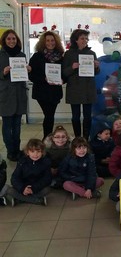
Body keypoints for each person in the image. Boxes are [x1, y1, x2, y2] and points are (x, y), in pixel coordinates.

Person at [62, 28, 100, 140]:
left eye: (86, 38)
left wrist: (96, 66)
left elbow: (97, 72)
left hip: (88, 88)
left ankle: (86, 137)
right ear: (76, 40)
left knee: (88, 116)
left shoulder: (92, 53)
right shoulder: (68, 54)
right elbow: (64, 72)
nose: (85, 40)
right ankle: (78, 138)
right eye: (82, 38)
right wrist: (72, 68)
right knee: (75, 116)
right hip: (75, 89)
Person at [0, 29, 31, 161]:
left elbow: (23, 75)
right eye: (9, 39)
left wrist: (28, 70)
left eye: (14, 39)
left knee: (17, 125)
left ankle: (17, 150)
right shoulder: (0, 55)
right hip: (6, 95)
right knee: (7, 125)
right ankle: (10, 150)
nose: (12, 41)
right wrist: (3, 72)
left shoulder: (21, 55)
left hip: (19, 93)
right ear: (4, 41)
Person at [29, 31, 64, 139]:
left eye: (52, 40)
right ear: (43, 42)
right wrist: (43, 79)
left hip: (55, 92)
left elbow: (64, 74)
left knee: (50, 116)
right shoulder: (36, 56)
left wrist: (63, 80)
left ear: (56, 41)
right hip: (42, 92)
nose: (50, 43)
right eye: (47, 40)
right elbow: (31, 76)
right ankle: (46, 139)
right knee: (49, 115)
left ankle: (47, 139)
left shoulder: (61, 57)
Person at [7, 139, 52, 206]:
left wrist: (33, 188)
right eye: (32, 151)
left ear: (42, 152)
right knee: (9, 190)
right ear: (27, 152)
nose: (35, 154)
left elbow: (47, 179)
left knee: (47, 189)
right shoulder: (22, 162)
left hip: (37, 187)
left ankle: (21, 199)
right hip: (24, 186)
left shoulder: (46, 162)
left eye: (38, 152)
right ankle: (36, 200)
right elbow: (15, 177)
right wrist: (22, 188)